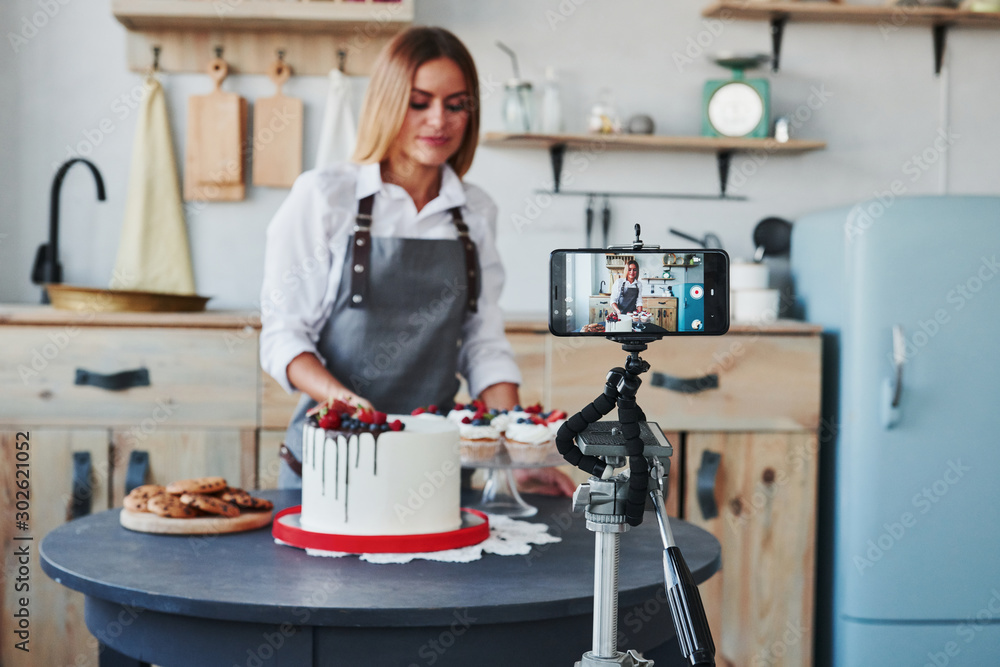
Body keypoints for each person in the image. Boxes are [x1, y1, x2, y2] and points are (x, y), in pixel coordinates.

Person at [260, 26, 574, 496]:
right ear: (388, 102)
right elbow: (283, 336)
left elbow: (482, 343)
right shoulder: (325, 196)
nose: (439, 121)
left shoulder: (475, 211)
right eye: (419, 102)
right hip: (333, 455)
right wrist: (350, 404)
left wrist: (516, 452)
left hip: (436, 468)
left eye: (456, 104)